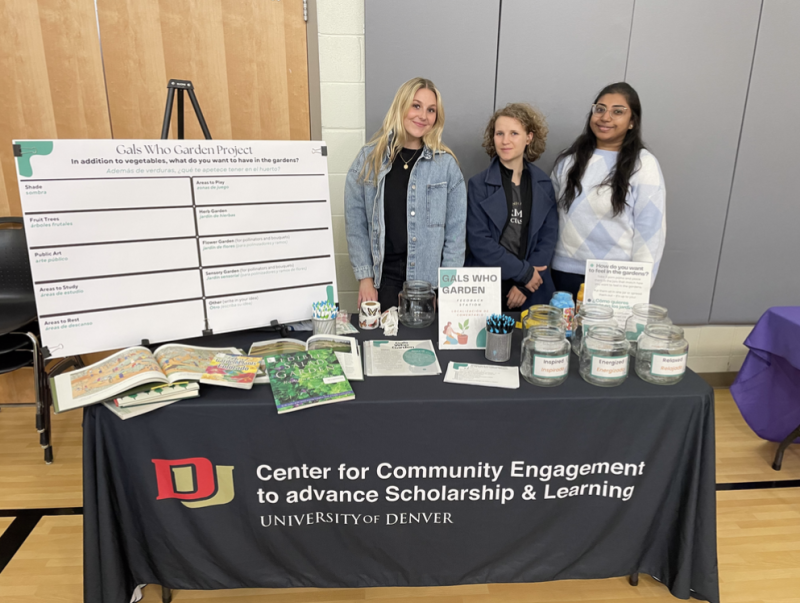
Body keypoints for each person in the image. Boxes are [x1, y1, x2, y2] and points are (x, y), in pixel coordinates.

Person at [345, 77, 467, 309]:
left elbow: (455, 233)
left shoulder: (446, 166)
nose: (423, 116)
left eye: (431, 110)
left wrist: (448, 288)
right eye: (416, 105)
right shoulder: (368, 160)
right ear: (401, 106)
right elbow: (356, 224)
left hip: (429, 284)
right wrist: (365, 278)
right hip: (383, 281)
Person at [550, 82, 666, 299]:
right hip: (563, 273)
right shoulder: (569, 161)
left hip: (616, 279)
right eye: (600, 109)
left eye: (618, 112)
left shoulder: (644, 165)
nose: (605, 117)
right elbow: (549, 219)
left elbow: (651, 233)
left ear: (632, 122)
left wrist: (640, 286)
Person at [465, 103, 558, 311]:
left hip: (531, 287)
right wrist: (522, 273)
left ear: (529, 137)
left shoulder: (544, 184)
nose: (505, 141)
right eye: (499, 133)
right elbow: (479, 242)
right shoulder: (478, 185)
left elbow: (548, 239)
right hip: (486, 284)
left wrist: (526, 284)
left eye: (514, 133)